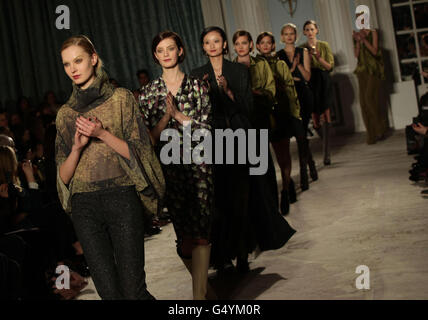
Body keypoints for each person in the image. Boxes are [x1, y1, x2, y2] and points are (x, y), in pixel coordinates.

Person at [56, 35, 165, 300]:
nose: (73, 68)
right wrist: (78, 148)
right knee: (109, 293)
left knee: (133, 290)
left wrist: (102, 134)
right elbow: (63, 176)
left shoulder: (121, 99)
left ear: (93, 59)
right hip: (84, 207)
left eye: (78, 60)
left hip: (121, 197)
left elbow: (140, 154)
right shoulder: (65, 114)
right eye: (67, 64)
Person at [139, 31, 213, 300]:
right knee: (184, 237)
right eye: (161, 50)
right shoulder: (147, 94)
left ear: (180, 51)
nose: (167, 53)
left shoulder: (197, 86)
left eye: (171, 48)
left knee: (202, 233)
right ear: (155, 56)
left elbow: (206, 130)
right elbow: (147, 140)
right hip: (169, 169)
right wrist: (165, 119)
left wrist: (179, 116)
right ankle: (204, 292)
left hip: (199, 166)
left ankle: (200, 296)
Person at [256, 31, 308, 214]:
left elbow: (291, 91)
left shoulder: (280, 64)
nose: (265, 46)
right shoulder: (253, 65)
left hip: (280, 114)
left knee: (283, 156)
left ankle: (285, 191)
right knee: (265, 161)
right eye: (261, 43)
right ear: (257, 46)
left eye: (268, 43)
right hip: (262, 115)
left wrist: (296, 115)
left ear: (272, 46)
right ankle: (285, 186)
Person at [277, 23, 318, 187]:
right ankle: (310, 166)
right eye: (286, 34)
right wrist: (293, 72)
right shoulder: (278, 55)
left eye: (292, 33)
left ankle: (304, 173)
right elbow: (281, 80)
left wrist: (298, 65)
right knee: (300, 134)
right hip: (288, 98)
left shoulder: (304, 52)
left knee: (301, 134)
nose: (289, 36)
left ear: (296, 36)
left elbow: (307, 78)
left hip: (303, 96)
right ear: (281, 37)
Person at [302, 20, 335, 165]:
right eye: (307, 30)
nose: (310, 32)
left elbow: (329, 67)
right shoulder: (302, 48)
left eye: (312, 29)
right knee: (315, 119)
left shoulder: (324, 46)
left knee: (326, 115)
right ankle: (326, 143)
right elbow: (302, 69)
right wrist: (307, 59)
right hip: (311, 82)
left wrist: (318, 57)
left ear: (317, 30)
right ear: (304, 32)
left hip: (323, 80)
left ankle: (326, 154)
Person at [353, 16, 389, 145]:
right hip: (361, 70)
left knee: (369, 98)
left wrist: (364, 39)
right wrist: (357, 41)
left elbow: (374, 51)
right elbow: (356, 55)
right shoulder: (357, 35)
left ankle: (380, 127)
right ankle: (371, 135)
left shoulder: (373, 32)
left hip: (373, 69)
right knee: (363, 103)